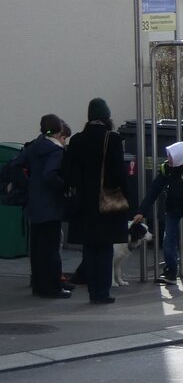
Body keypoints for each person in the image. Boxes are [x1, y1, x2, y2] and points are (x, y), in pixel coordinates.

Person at [66, 98, 128, 304]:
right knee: (104, 248)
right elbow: (119, 173)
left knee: (90, 248)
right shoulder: (113, 139)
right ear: (106, 117)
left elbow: (69, 174)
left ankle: (92, 289)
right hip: (106, 202)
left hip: (83, 204)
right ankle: (102, 292)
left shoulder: (76, 140)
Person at [9, 115, 71, 298]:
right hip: (50, 205)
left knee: (36, 249)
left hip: (34, 204)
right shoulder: (55, 150)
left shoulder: (34, 146)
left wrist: (27, 185)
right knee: (51, 249)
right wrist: (63, 185)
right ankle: (52, 287)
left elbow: (14, 165)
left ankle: (38, 285)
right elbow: (50, 175)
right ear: (59, 130)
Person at [133, 140, 183, 286]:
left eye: (172, 156)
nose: (169, 159)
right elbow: (154, 190)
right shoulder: (167, 168)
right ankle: (170, 271)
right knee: (168, 239)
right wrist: (142, 211)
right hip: (173, 206)